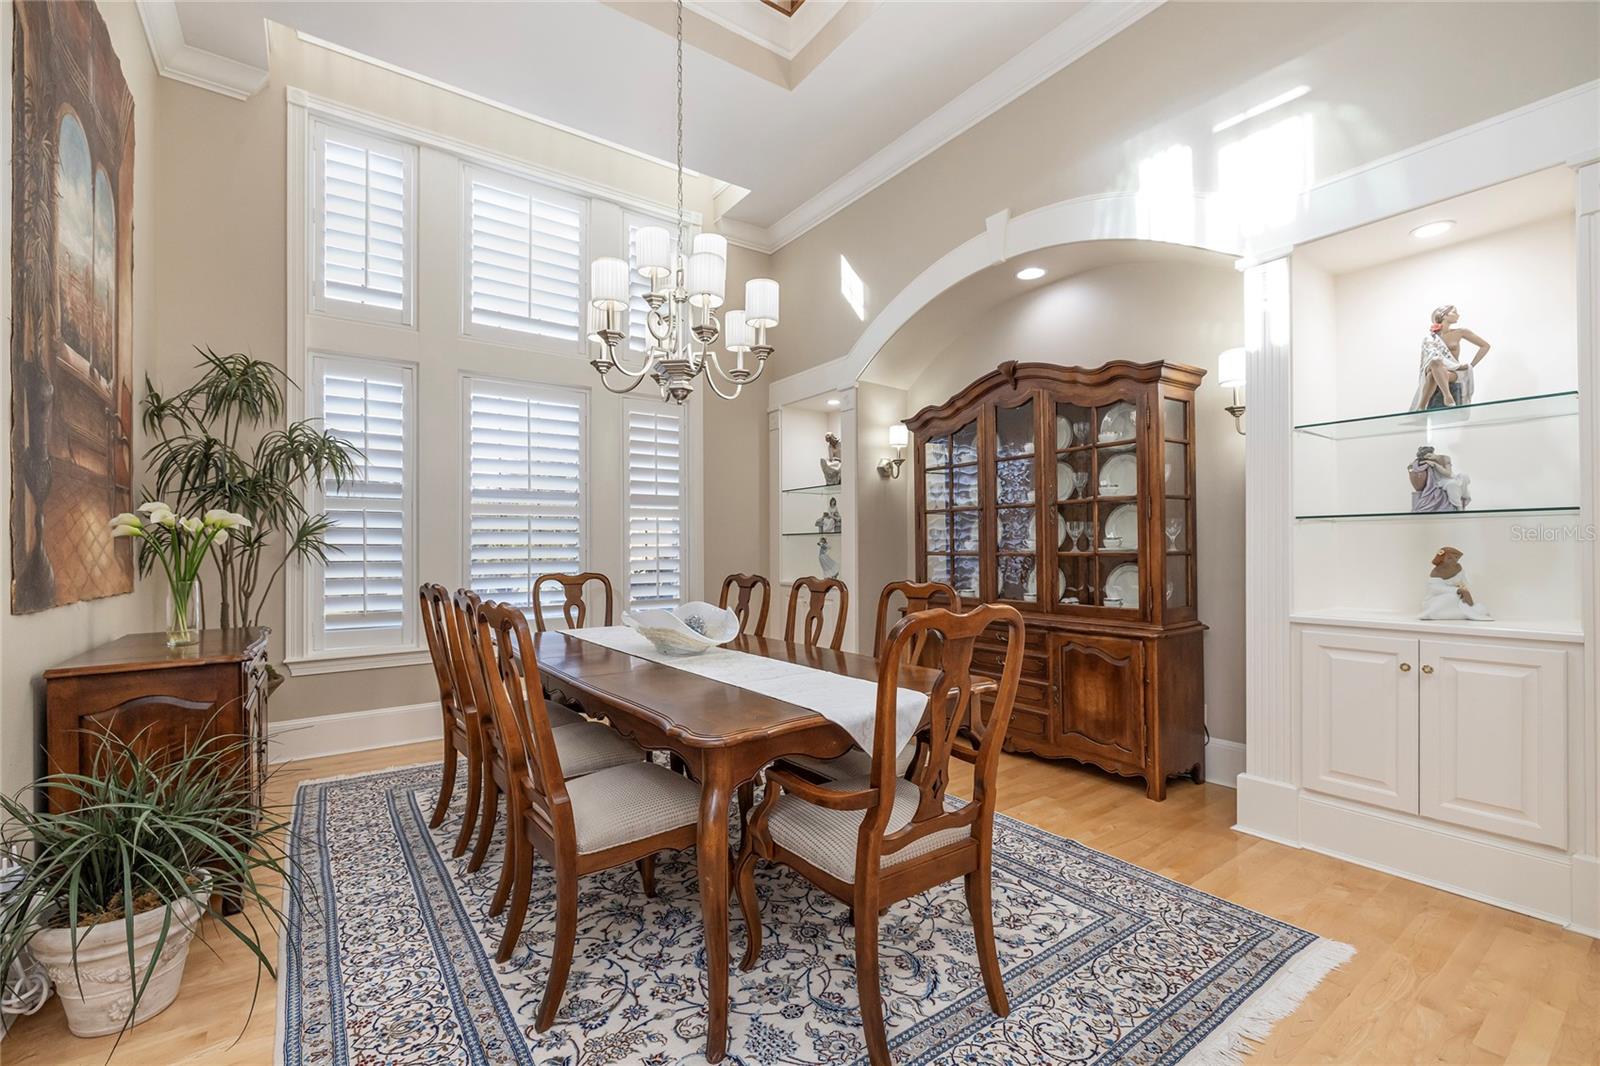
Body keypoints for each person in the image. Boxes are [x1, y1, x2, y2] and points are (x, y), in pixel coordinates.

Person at [1409, 304, 1491, 410]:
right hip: (1435, 366)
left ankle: (1421, 407)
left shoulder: (1461, 332)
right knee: (1435, 361)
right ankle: (1448, 397)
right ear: (1444, 315)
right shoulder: (1430, 338)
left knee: (1432, 376)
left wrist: (1471, 366)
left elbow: (1485, 346)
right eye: (1454, 312)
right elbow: (1428, 358)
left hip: (1453, 372)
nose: (1458, 315)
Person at [1420, 545, 1492, 621]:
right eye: (1449, 558)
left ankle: (1455, 613)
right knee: (1451, 597)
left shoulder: (1458, 568)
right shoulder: (1437, 571)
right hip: (1437, 599)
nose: (1454, 560)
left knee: (1477, 608)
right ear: (1442, 559)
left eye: (1456, 558)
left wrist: (1465, 592)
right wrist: (1457, 590)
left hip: (1458, 596)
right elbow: (1435, 589)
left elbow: (1463, 582)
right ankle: (1430, 612)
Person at [1409, 445, 1471, 513]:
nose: (1429, 458)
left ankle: (1464, 499)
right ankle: (1459, 507)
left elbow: (1448, 474)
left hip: (1450, 477)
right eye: (1426, 458)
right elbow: (1412, 465)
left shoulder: (1445, 458)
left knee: (1464, 476)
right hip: (1442, 481)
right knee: (1452, 484)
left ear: (1433, 452)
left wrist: (1436, 465)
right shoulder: (1428, 462)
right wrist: (1424, 462)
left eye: (1430, 455)